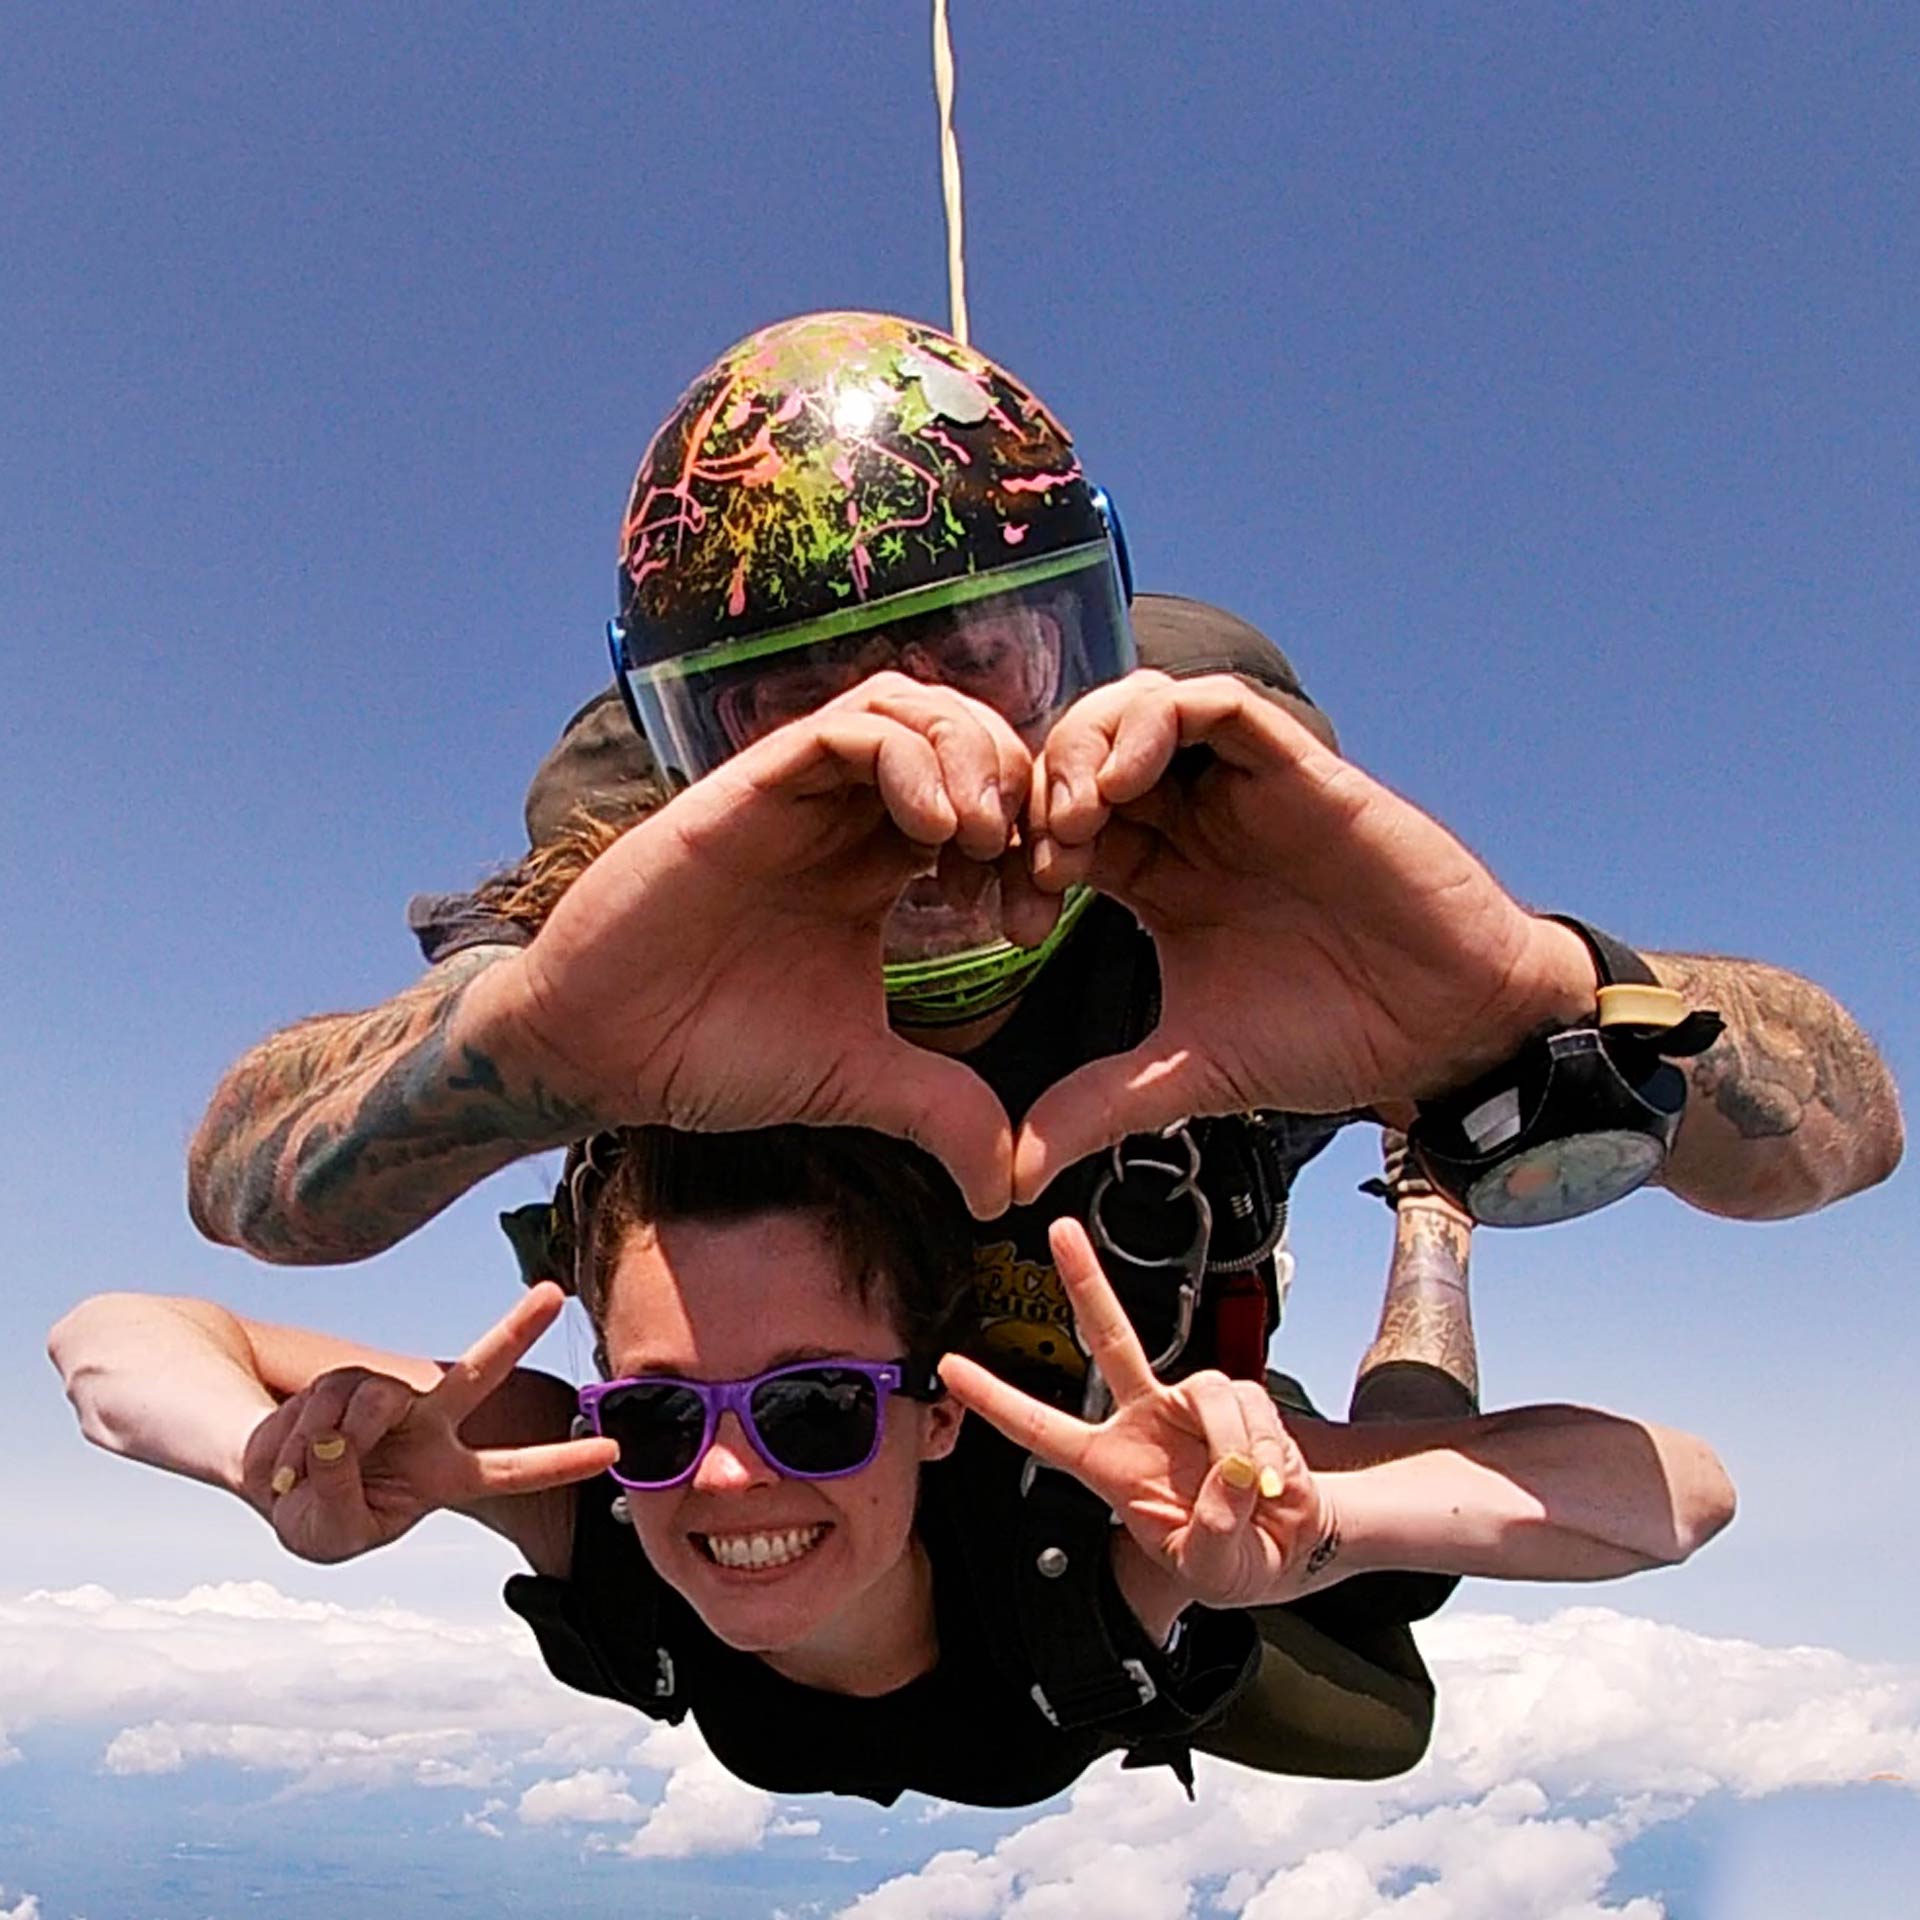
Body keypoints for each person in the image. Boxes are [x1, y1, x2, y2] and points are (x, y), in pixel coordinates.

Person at [183, 311, 1900, 1306]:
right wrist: (532, 1044)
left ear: (1091, 666)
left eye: (982, 672)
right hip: (811, 1468)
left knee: (1351, 1671)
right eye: (801, 717)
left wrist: (1529, 1006)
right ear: (690, 766)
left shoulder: (1215, 892)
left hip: (1159, 1463)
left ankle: (1424, 1183)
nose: (915, 775)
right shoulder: (627, 894)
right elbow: (245, 1179)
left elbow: (1852, 1123)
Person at [53, 1125, 1736, 1808]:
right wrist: (265, 1462)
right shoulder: (563, 1472)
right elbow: (106, 1335)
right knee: (1390, 1691)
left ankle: (1429, 1226)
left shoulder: (1097, 1528)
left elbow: (1677, 1487)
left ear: (936, 1414)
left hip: (1196, 1561)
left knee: (1404, 1611)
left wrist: (1326, 1515)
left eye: (812, 1411)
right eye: (655, 1413)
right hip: (1131, 1650)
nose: (715, 1482)